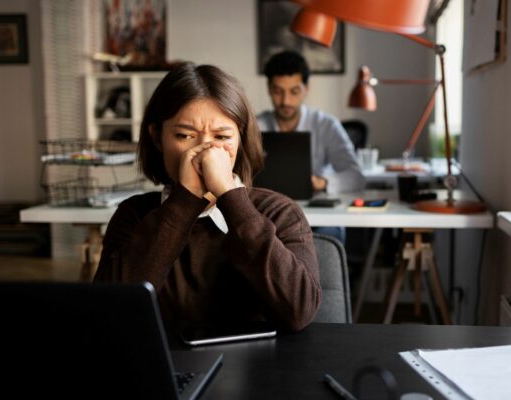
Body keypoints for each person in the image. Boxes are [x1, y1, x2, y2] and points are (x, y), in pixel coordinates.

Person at [94, 63, 321, 332]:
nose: (204, 152)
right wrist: (185, 199)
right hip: (168, 370)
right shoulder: (133, 214)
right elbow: (110, 312)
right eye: (185, 135)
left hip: (259, 369)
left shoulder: (280, 211)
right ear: (157, 137)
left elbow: (298, 312)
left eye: (222, 136)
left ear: (240, 139)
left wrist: (230, 197)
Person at [257, 50, 365, 194]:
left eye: (294, 91)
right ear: (269, 89)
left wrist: (322, 182)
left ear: (306, 89)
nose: (285, 101)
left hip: (315, 209)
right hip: (266, 206)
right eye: (278, 92)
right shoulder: (254, 127)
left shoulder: (326, 125)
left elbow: (356, 177)